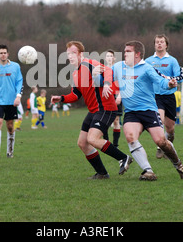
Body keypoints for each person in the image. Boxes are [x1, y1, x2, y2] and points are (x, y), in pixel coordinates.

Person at [51, 41, 133, 180]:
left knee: (93, 139)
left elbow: (108, 70)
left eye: (73, 53)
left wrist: (107, 84)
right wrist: (62, 98)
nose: (70, 56)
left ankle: (124, 158)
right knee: (82, 143)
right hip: (94, 110)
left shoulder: (88, 64)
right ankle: (102, 173)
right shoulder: (75, 73)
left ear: (80, 54)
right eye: (68, 53)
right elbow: (76, 95)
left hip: (106, 108)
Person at [112, 40, 183, 181]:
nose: (124, 54)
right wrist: (97, 76)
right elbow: (104, 77)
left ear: (137, 54)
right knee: (130, 137)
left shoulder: (147, 68)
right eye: (124, 51)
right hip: (131, 112)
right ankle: (148, 171)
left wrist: (170, 83)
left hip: (149, 111)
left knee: (161, 142)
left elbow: (160, 82)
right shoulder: (118, 67)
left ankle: (178, 165)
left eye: (128, 51)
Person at [145, 34, 183, 159]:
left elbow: (180, 77)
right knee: (159, 120)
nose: (159, 44)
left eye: (161, 42)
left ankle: (169, 145)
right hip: (155, 96)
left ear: (166, 45)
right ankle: (160, 146)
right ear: (154, 44)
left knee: (170, 128)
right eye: (157, 42)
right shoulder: (148, 61)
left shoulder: (172, 60)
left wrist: (173, 81)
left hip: (169, 96)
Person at [103, 49, 122, 148]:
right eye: (107, 56)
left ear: (114, 58)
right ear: (105, 58)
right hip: (106, 96)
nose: (109, 58)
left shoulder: (118, 69)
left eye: (111, 56)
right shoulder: (103, 69)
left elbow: (122, 83)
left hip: (116, 95)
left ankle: (115, 145)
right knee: (105, 120)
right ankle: (106, 143)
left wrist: (119, 95)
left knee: (116, 120)